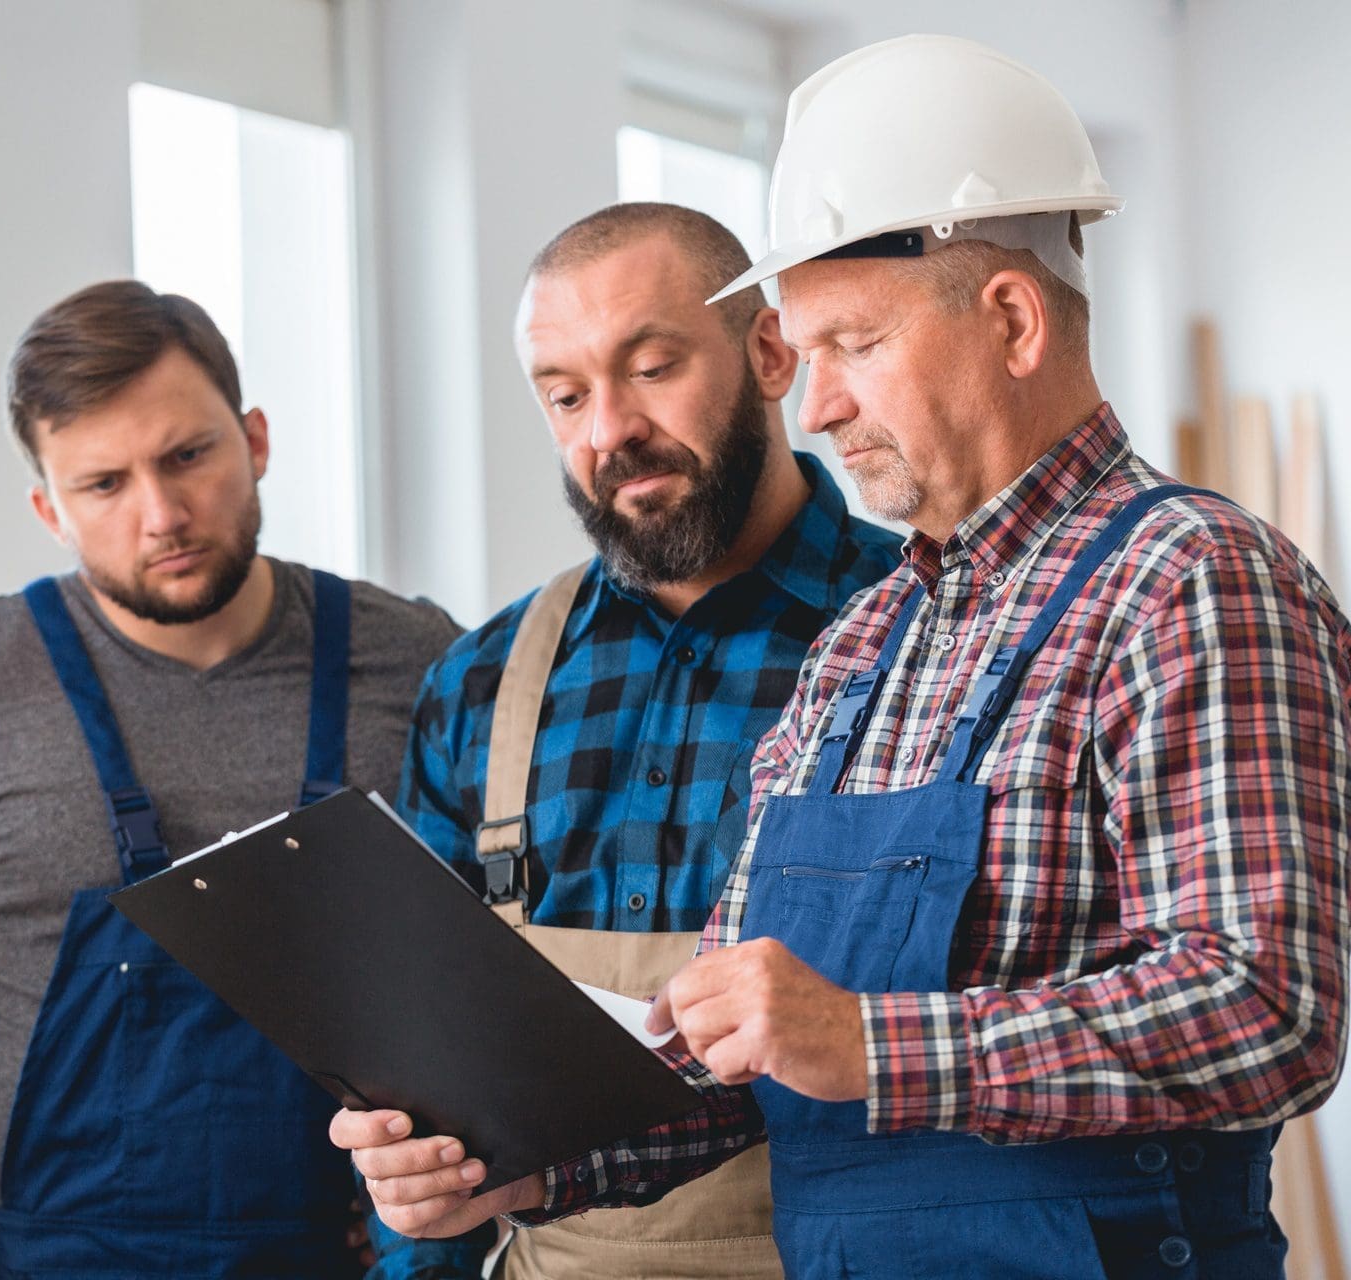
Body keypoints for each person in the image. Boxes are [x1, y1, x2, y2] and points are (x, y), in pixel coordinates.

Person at [336, 34, 1351, 1279]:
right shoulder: (865, 645)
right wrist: (524, 1162)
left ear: (1014, 320)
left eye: (852, 345)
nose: (811, 406)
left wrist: (875, 1042)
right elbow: (728, 1046)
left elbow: (1267, 1009)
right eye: (803, 354)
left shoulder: (1189, 579)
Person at [0, 280, 460, 1279]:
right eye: (104, 484)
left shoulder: (423, 664)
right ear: (49, 507)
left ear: (254, 439)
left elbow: (518, 958)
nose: (160, 513)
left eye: (187, 456)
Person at [365, 202, 899, 1279]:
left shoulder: (928, 623)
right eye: (565, 396)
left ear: (766, 353)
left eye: (652, 368)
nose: (607, 429)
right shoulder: (480, 682)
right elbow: (420, 1057)